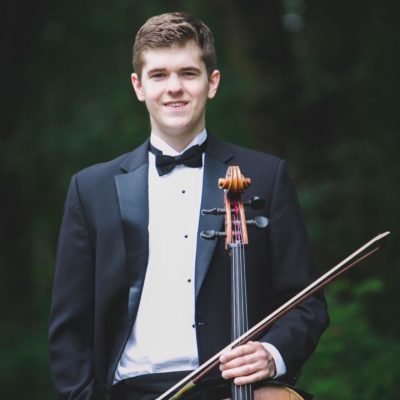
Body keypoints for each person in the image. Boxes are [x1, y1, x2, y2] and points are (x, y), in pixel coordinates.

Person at [49, 11, 329, 400]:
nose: (174, 88)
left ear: (211, 83)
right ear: (138, 86)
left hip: (233, 390)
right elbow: (70, 330)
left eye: (188, 73)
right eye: (159, 75)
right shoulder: (90, 189)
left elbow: (306, 302)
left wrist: (272, 354)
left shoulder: (266, 177)